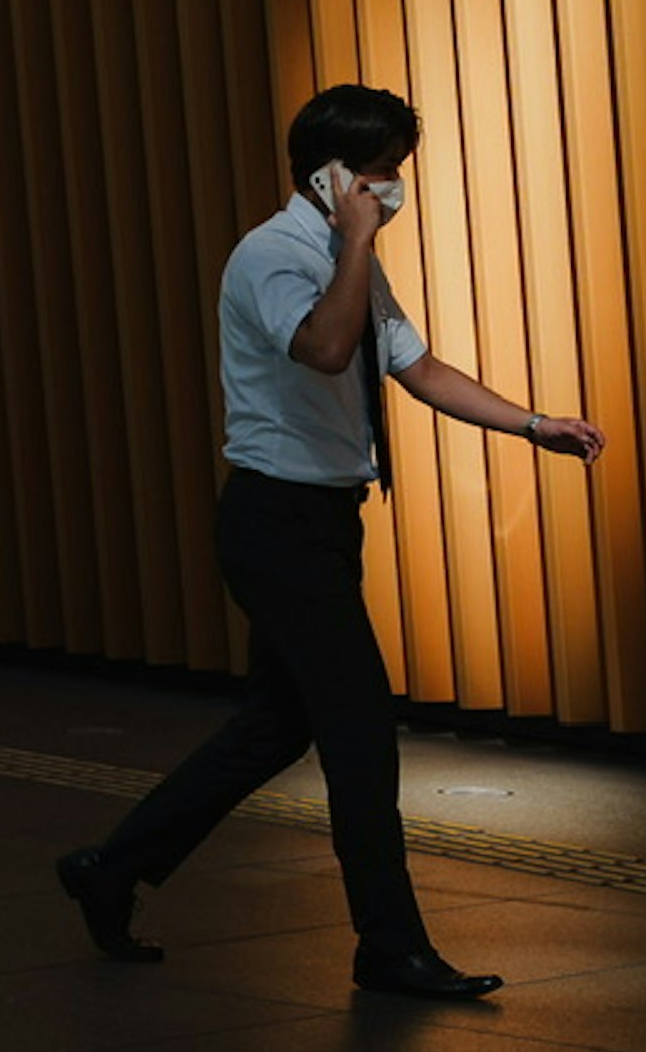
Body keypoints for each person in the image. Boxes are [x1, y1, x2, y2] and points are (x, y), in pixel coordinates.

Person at [56, 85, 604, 1005]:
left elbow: (416, 365)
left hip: (321, 523)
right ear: (333, 175)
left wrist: (532, 423)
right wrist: (355, 242)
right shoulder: (274, 257)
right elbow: (323, 348)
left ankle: (112, 869)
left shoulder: (342, 257)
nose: (393, 190)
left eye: (397, 173)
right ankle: (388, 947)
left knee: (275, 726)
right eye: (381, 173)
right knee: (360, 733)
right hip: (276, 525)